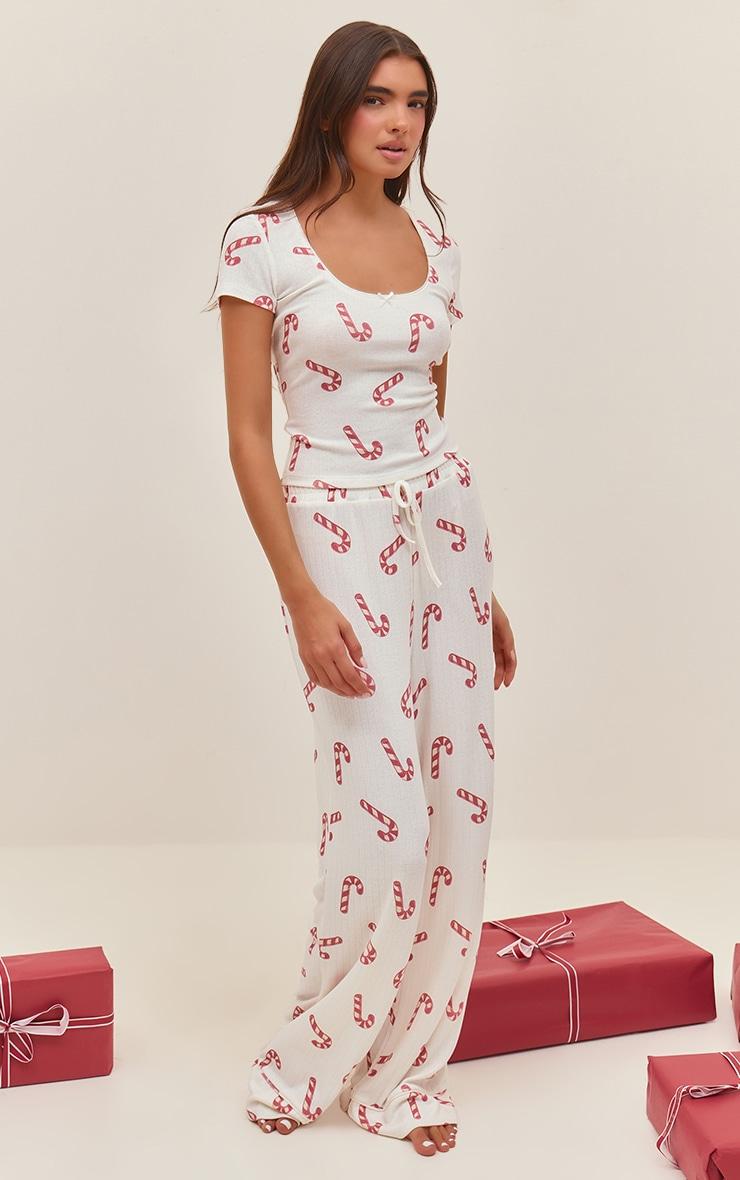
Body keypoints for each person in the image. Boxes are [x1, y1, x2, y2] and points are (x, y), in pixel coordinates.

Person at [202, 20, 517, 1157]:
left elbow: (430, 410)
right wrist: (300, 596)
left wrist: (482, 592)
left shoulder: (435, 238)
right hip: (334, 529)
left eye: (416, 103)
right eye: (378, 99)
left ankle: (404, 1067)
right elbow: (249, 437)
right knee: (379, 814)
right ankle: (312, 1056)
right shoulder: (262, 242)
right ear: (331, 105)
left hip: (444, 528)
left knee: (459, 803)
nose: (399, 123)